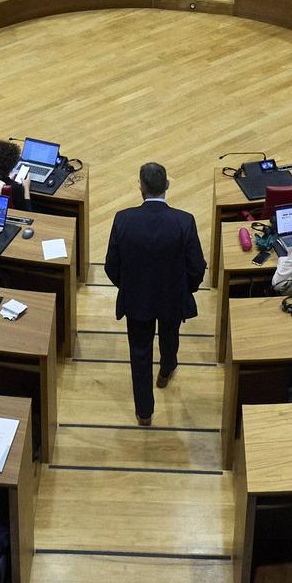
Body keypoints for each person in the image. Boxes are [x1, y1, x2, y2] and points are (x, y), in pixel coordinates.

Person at [104, 162, 205, 426]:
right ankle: (167, 368)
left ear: (141, 187)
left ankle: (145, 412)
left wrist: (129, 286)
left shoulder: (123, 219)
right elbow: (197, 267)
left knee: (139, 352)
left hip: (137, 298)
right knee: (170, 335)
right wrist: (186, 289)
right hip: (172, 297)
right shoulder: (184, 221)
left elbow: (111, 266)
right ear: (167, 186)